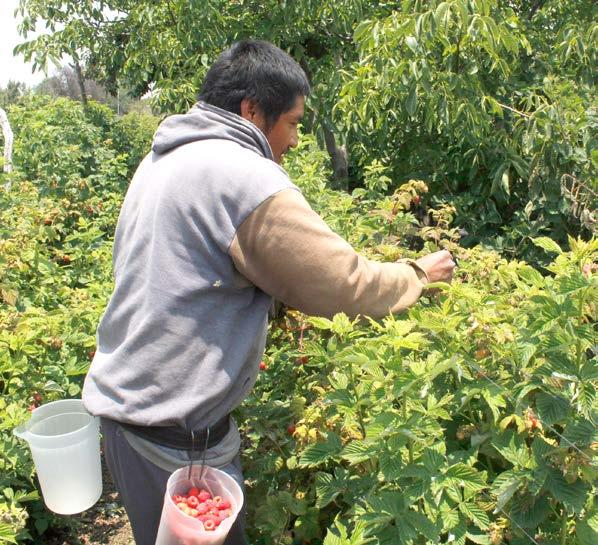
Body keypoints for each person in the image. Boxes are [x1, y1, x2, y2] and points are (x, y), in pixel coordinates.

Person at [82, 39, 455, 545]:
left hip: (129, 424)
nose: (296, 141)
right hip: (174, 441)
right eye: (294, 123)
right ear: (252, 111)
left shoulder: (163, 159)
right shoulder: (241, 176)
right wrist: (418, 274)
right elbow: (343, 284)